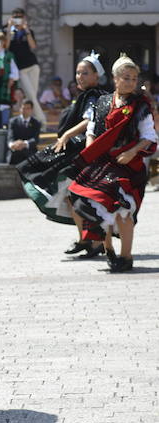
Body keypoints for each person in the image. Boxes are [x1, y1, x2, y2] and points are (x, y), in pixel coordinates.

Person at [68, 55, 157, 272]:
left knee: (124, 209)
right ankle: (108, 250)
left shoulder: (140, 105)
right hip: (103, 164)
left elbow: (150, 136)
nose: (130, 82)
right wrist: (91, 152)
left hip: (130, 166)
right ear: (115, 79)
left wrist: (132, 151)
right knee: (97, 206)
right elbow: (91, 129)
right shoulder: (102, 102)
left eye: (134, 78)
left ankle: (126, 257)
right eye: (126, 77)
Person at [16, 52, 109, 255]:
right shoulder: (84, 96)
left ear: (96, 76)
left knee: (80, 197)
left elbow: (90, 120)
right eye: (77, 73)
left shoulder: (96, 96)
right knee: (71, 197)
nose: (80, 77)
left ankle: (95, 241)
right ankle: (86, 239)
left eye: (85, 73)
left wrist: (68, 134)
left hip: (85, 152)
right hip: (78, 149)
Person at [7, 8, 45, 123]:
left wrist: (26, 29)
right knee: (31, 96)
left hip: (33, 66)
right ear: (12, 18)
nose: (18, 19)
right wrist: (9, 28)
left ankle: (33, 121)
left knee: (31, 96)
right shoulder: (9, 31)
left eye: (20, 17)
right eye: (16, 17)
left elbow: (33, 46)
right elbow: (6, 47)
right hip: (21, 69)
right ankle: (41, 121)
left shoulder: (28, 31)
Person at [6, 100, 42, 165]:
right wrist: (13, 145)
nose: (25, 111)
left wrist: (24, 143)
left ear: (31, 110)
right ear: (20, 109)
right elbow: (10, 137)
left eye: (27, 108)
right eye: (23, 108)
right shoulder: (13, 121)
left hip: (29, 153)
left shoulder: (36, 123)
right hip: (15, 152)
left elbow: (35, 139)